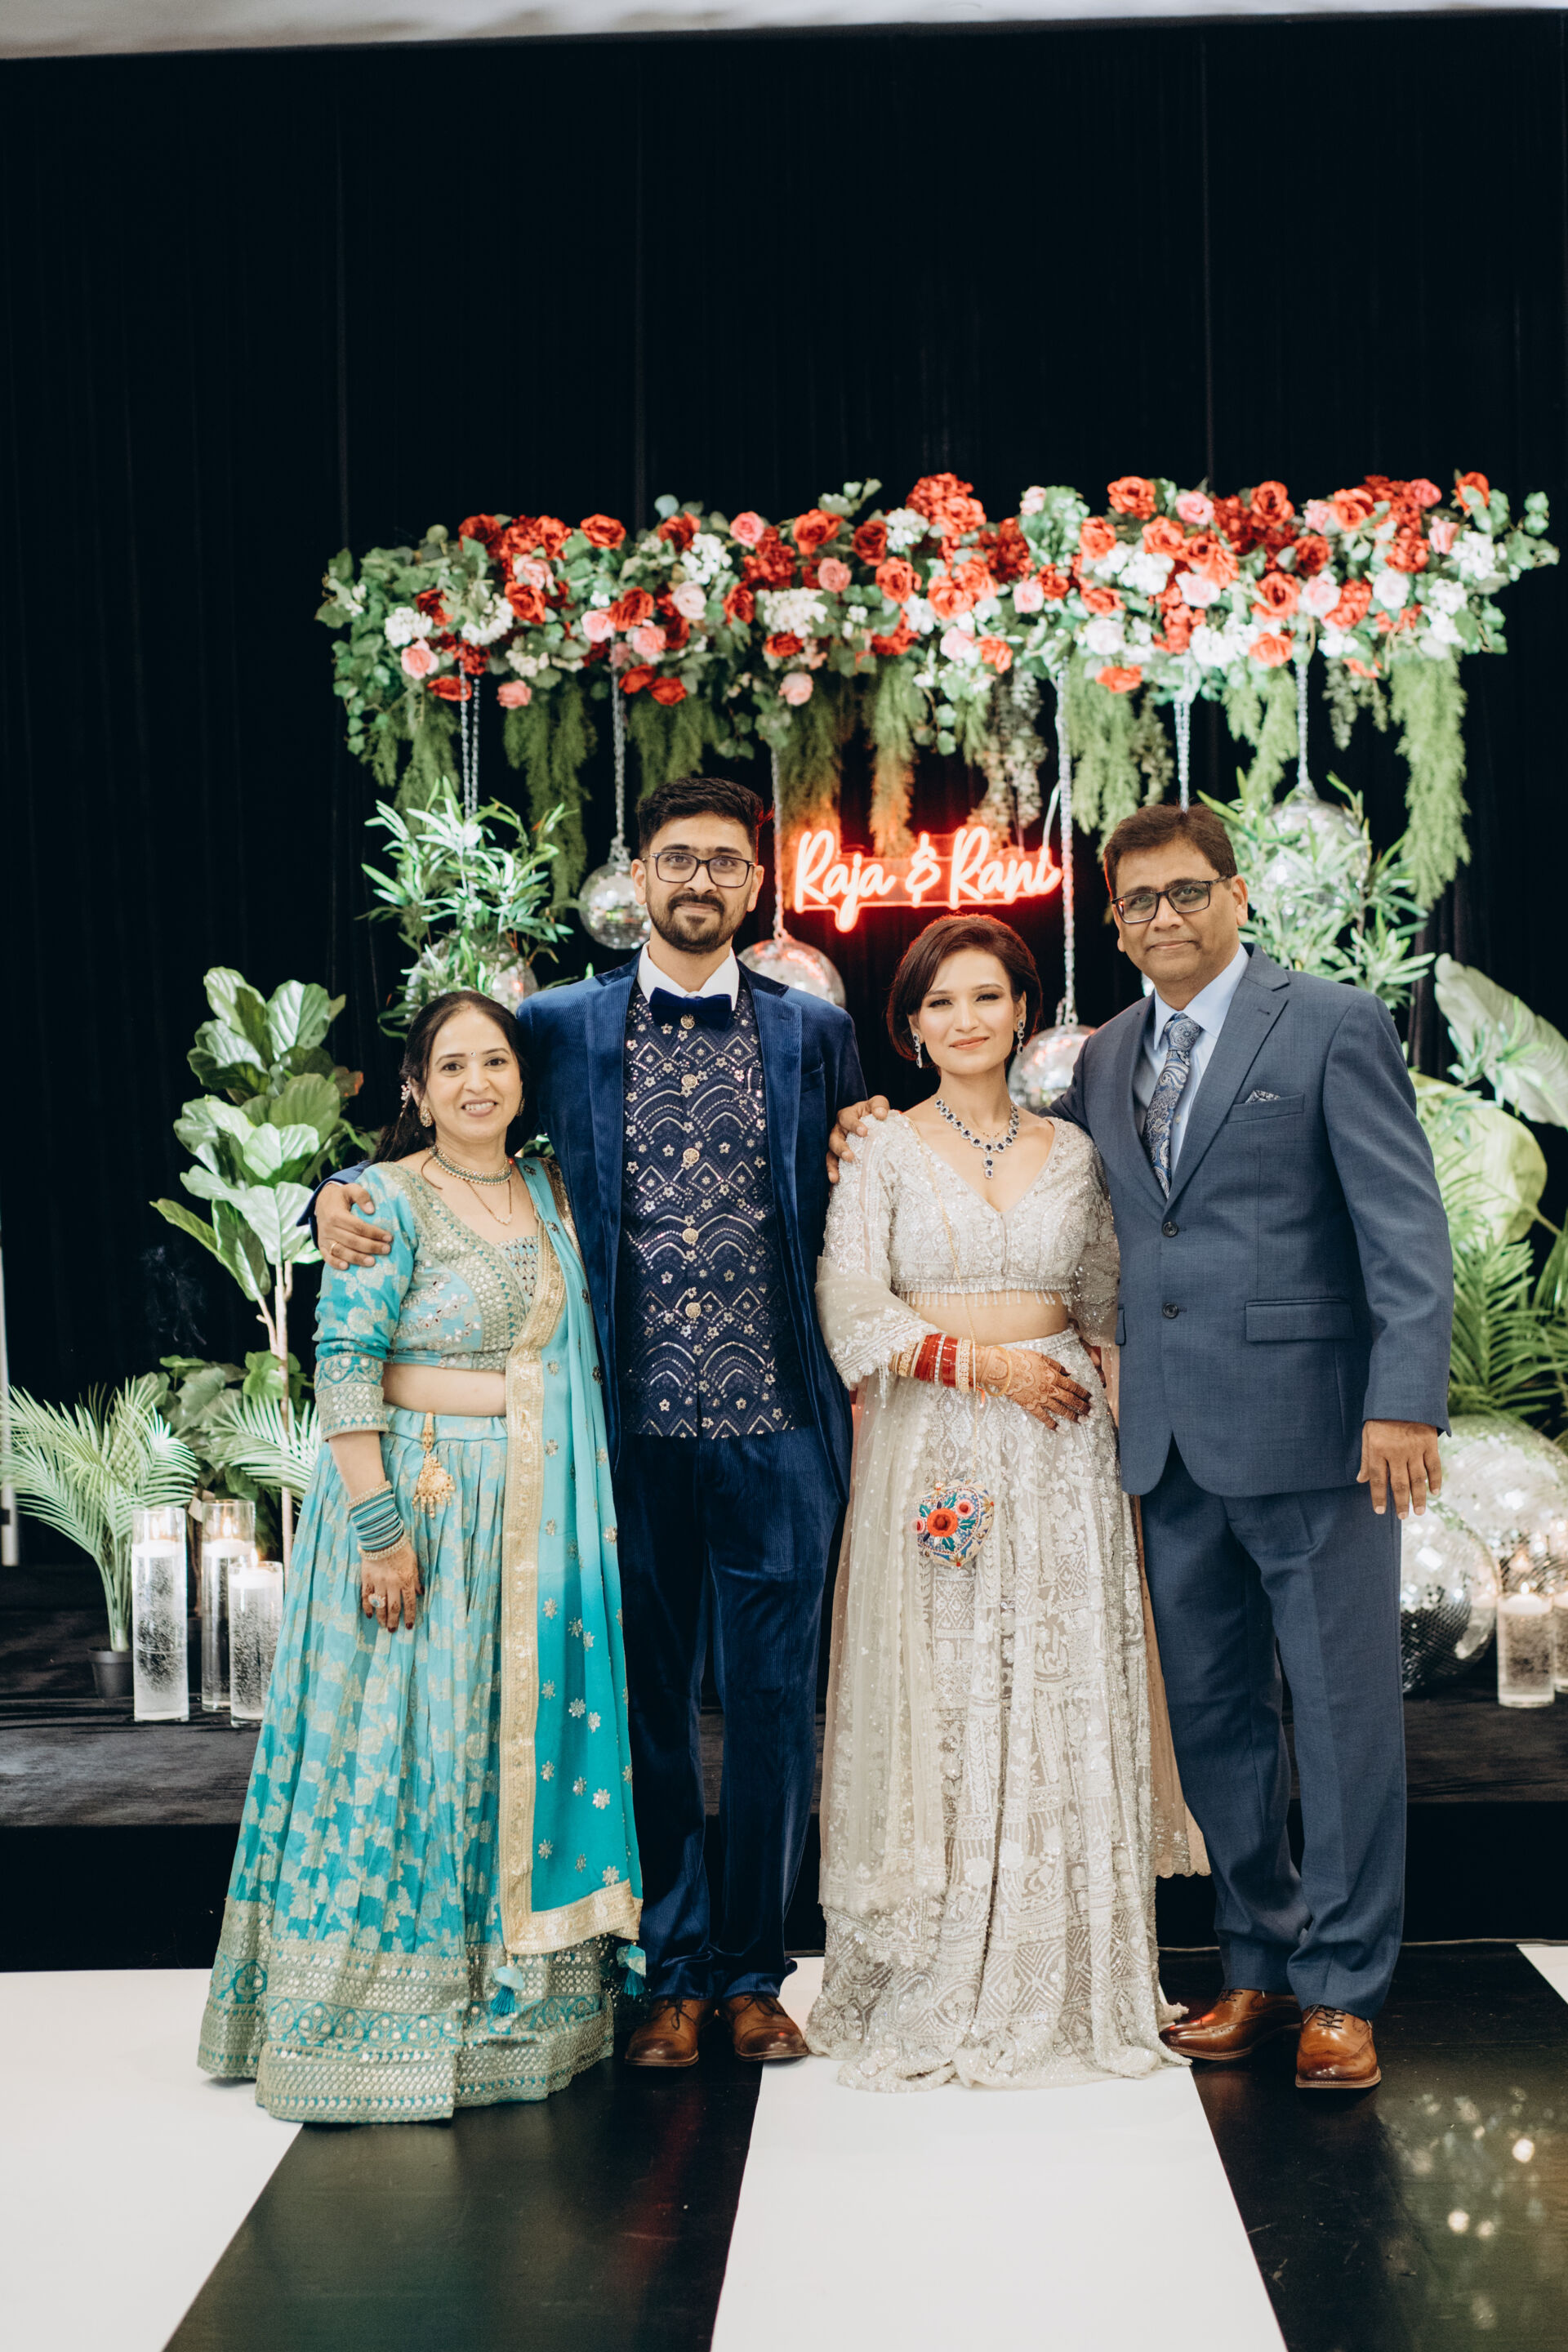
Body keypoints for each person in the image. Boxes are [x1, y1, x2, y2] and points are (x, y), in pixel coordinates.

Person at [834, 806, 1453, 2093]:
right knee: (1217, 1718)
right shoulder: (1107, 1058)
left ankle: (1344, 1992)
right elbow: (1061, 1207)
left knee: (1339, 1718)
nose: (1162, 917)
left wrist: (1403, 1404)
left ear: (1236, 895)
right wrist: (863, 1129)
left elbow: (1405, 1228)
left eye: (1185, 892)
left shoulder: (1330, 1023)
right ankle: (1258, 1965)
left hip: (1318, 1432)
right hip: (1160, 1444)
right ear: (1113, 924)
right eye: (1138, 903)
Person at [316, 777, 866, 2069]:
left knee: (776, 1708)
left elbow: (856, 1173)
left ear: (755, 884)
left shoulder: (814, 1030)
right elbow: (459, 1138)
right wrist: (334, 1194)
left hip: (782, 1426)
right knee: (646, 1704)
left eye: (724, 862)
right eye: (678, 858)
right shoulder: (560, 1025)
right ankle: (669, 1968)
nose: (700, 881)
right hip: (616, 1435)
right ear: (638, 877)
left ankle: (754, 1972)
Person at [198, 991, 640, 2121]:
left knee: (503, 1743)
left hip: (532, 1513)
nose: (477, 1084)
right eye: (452, 1067)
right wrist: (381, 1529)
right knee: (407, 1745)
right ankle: (370, 2014)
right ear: (418, 1086)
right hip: (419, 1502)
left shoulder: (555, 1191)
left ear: (524, 1081)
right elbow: (344, 1364)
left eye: (496, 1062)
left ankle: (516, 2008)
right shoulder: (380, 1201)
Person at [811, 913, 1202, 2091]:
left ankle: (1068, 1969)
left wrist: (1136, 1427)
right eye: (940, 1003)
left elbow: (1107, 1301)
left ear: (1023, 1011)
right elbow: (850, 1302)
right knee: (942, 1682)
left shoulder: (1077, 1152)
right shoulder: (881, 1149)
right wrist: (984, 1368)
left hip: (1063, 1445)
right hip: (937, 1437)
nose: (966, 1020)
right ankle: (934, 1963)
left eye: (986, 997)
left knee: (1056, 1677)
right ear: (911, 1027)